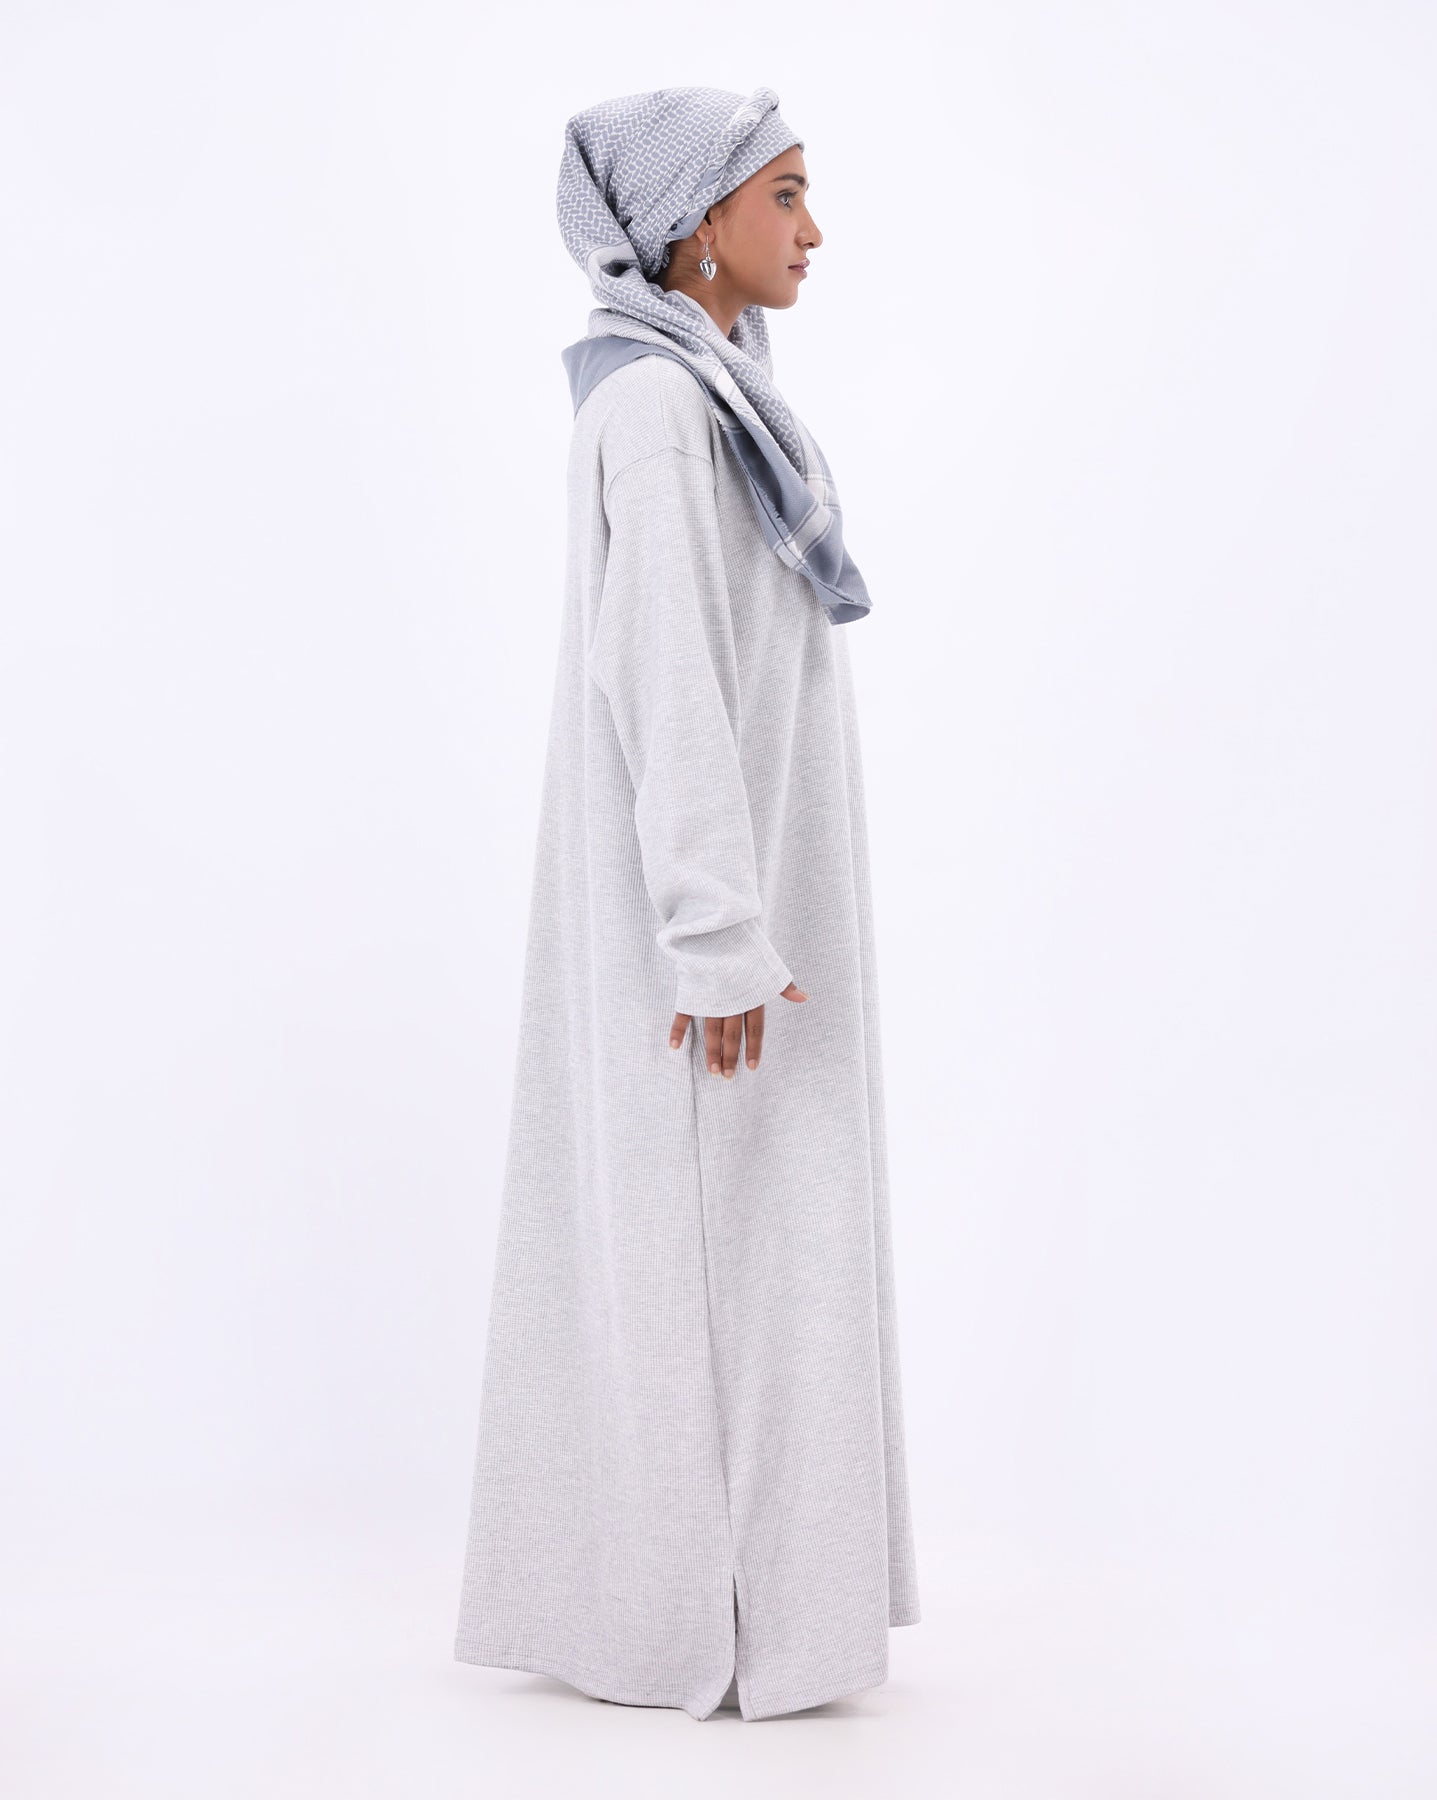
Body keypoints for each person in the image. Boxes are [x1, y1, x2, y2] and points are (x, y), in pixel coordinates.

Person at [453, 84, 919, 1723]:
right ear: (692, 223)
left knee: (750, 1253)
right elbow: (662, 676)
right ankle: (710, 1630)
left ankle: (748, 1617)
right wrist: (715, 936)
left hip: (757, 915)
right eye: (783, 194)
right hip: (716, 945)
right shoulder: (659, 410)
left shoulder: (715, 398)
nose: (813, 228)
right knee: (729, 1263)